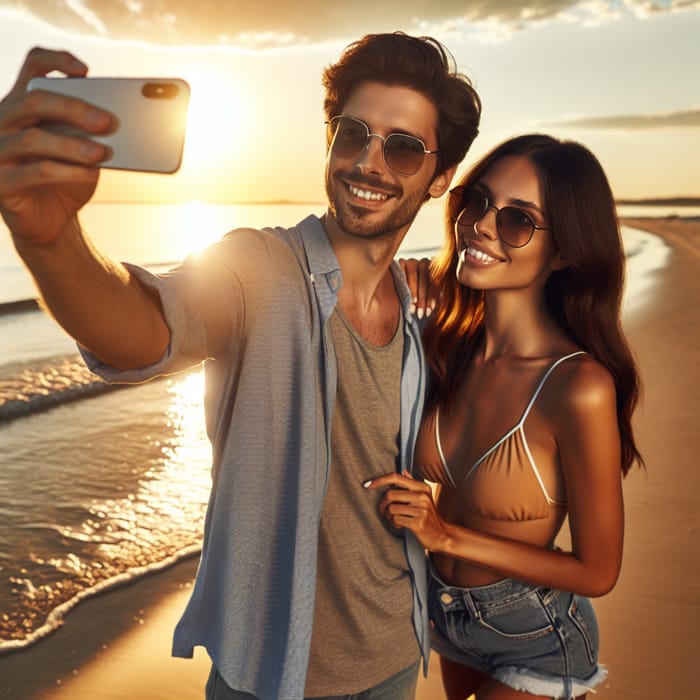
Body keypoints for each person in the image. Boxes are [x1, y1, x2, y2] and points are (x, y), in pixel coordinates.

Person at [0, 34, 481, 699]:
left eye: (403, 147)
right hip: (272, 676)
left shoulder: (422, 308)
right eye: (352, 134)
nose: (368, 162)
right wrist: (51, 241)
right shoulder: (258, 268)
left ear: (441, 176)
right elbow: (144, 331)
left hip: (399, 651)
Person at [367, 134, 644, 699]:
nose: (481, 226)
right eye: (478, 201)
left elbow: (598, 572)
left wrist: (444, 536)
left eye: (519, 220)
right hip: (446, 617)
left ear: (564, 251)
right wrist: (400, 283)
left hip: (535, 634)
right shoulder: (444, 344)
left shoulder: (578, 386)